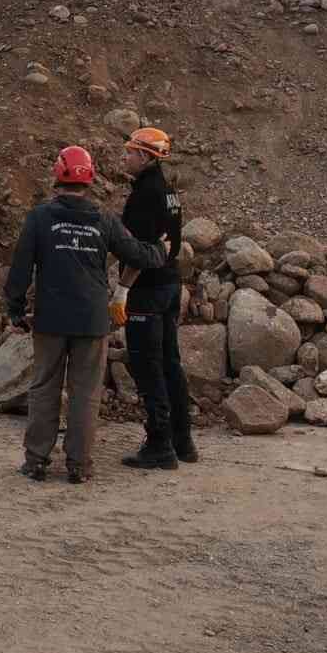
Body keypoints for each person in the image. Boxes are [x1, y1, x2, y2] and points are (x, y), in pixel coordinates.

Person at [5, 146, 169, 484]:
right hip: (91, 320)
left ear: (58, 173)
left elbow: (20, 268)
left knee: (44, 388)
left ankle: (36, 461)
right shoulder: (104, 219)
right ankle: (79, 466)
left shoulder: (40, 218)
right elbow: (137, 254)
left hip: (50, 319)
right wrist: (161, 250)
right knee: (85, 393)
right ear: (90, 176)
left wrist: (16, 309)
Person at [115, 128, 196, 470]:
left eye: (130, 152)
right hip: (170, 284)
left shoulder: (144, 195)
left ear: (145, 156)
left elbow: (139, 251)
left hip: (146, 290)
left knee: (148, 367)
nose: (125, 157)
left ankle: (159, 444)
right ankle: (182, 441)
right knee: (170, 363)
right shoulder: (169, 192)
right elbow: (169, 243)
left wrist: (122, 290)